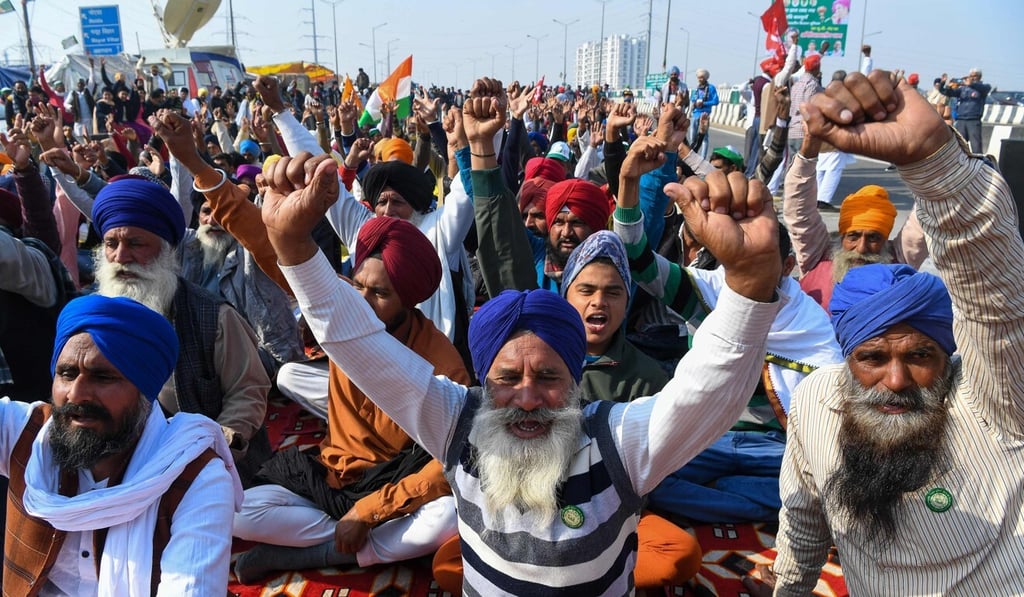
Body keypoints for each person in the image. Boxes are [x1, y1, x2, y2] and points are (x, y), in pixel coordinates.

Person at [259, 90, 785, 595]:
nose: (528, 398)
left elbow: (710, 394)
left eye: (550, 377)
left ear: (576, 377)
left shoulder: (617, 440)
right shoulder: (457, 421)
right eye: (508, 379)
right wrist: (292, 248)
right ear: (483, 381)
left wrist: (750, 282)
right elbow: (359, 348)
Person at [767, 68, 1024, 595]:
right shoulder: (817, 402)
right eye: (873, 358)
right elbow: (803, 522)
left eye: (920, 356)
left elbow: (992, 301)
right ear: (847, 356)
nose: (897, 379)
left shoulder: (989, 401)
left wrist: (935, 165)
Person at [232, 217, 466, 583]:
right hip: (337, 474)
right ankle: (358, 540)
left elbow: (451, 462)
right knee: (238, 513)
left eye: (380, 293)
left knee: (448, 517)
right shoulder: (342, 315)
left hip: (394, 481)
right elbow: (273, 253)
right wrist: (206, 175)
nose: (362, 301)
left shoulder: (441, 361)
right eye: (357, 286)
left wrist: (372, 510)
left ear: (408, 299)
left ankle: (321, 552)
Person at [0, 293, 242, 595]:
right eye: (67, 373)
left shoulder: (197, 478)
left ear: (144, 391)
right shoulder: (25, 432)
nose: (76, 394)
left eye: (102, 377)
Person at [90, 176, 272, 485]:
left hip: (202, 464)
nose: (121, 257)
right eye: (111, 244)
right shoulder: (91, 318)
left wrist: (218, 441)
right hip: (119, 461)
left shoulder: (214, 316)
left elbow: (248, 390)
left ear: (165, 251)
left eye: (135, 243)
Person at [783, 132, 927, 312]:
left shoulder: (899, 259)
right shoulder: (818, 254)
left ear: (885, 241)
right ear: (842, 236)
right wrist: (809, 150)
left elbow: (926, 215)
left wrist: (929, 155)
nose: (861, 248)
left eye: (873, 238)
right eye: (853, 236)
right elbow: (798, 211)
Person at [939, 68, 991, 153]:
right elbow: (947, 92)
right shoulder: (963, 89)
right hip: (961, 120)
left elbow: (984, 88)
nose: (971, 78)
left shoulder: (983, 88)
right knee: (959, 146)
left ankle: (979, 163)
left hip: (973, 120)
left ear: (979, 77)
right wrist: (943, 84)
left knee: (976, 146)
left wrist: (972, 84)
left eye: (974, 76)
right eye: (970, 76)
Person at [689, 69, 719, 159]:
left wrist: (704, 103)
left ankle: (703, 157)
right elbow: (692, 99)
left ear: (706, 78)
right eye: (698, 77)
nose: (700, 79)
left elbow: (716, 101)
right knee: (693, 137)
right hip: (695, 114)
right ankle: (692, 155)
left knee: (704, 137)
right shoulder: (697, 88)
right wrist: (694, 103)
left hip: (704, 114)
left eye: (702, 77)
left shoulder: (711, 88)